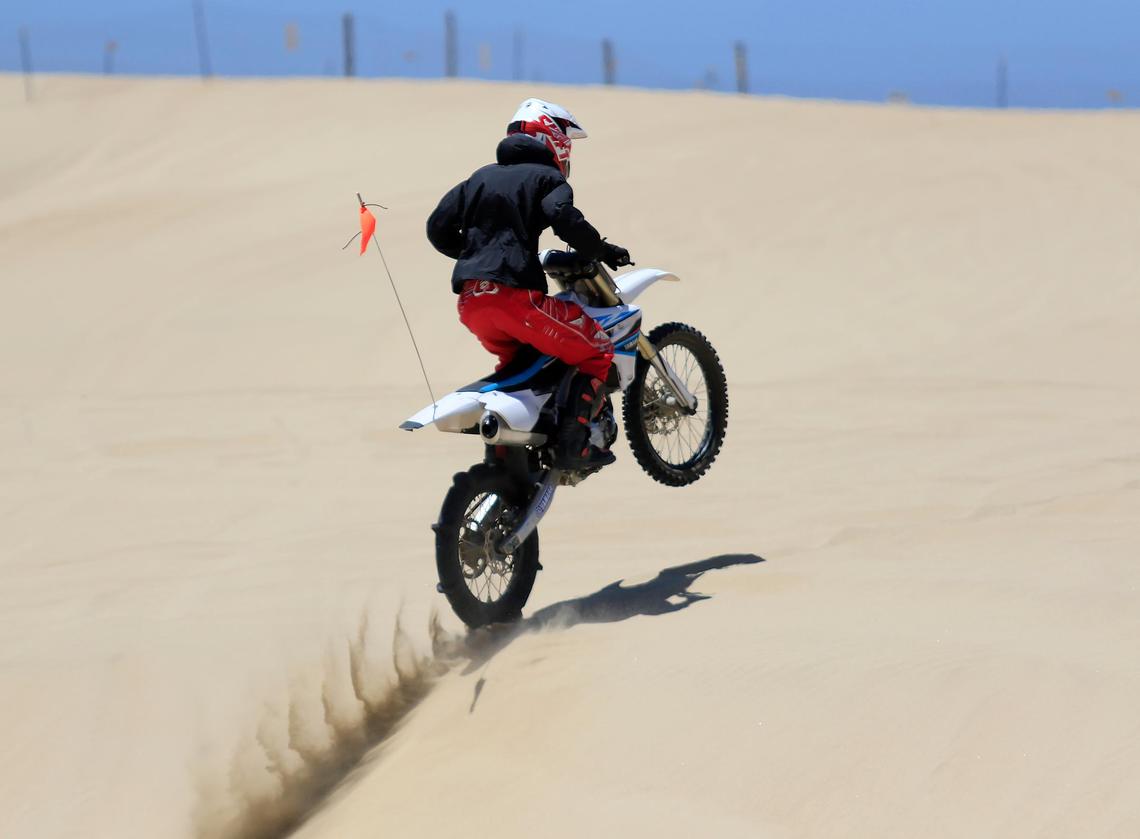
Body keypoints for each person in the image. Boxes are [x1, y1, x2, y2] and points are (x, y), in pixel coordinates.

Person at [426, 98, 631, 470]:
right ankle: (574, 446)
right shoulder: (547, 178)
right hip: (516, 299)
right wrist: (602, 248)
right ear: (553, 137)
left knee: (521, 364)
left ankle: (515, 454)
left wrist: (475, 255)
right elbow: (562, 217)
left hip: (471, 303)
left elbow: (436, 227)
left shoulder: (478, 177)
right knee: (597, 351)